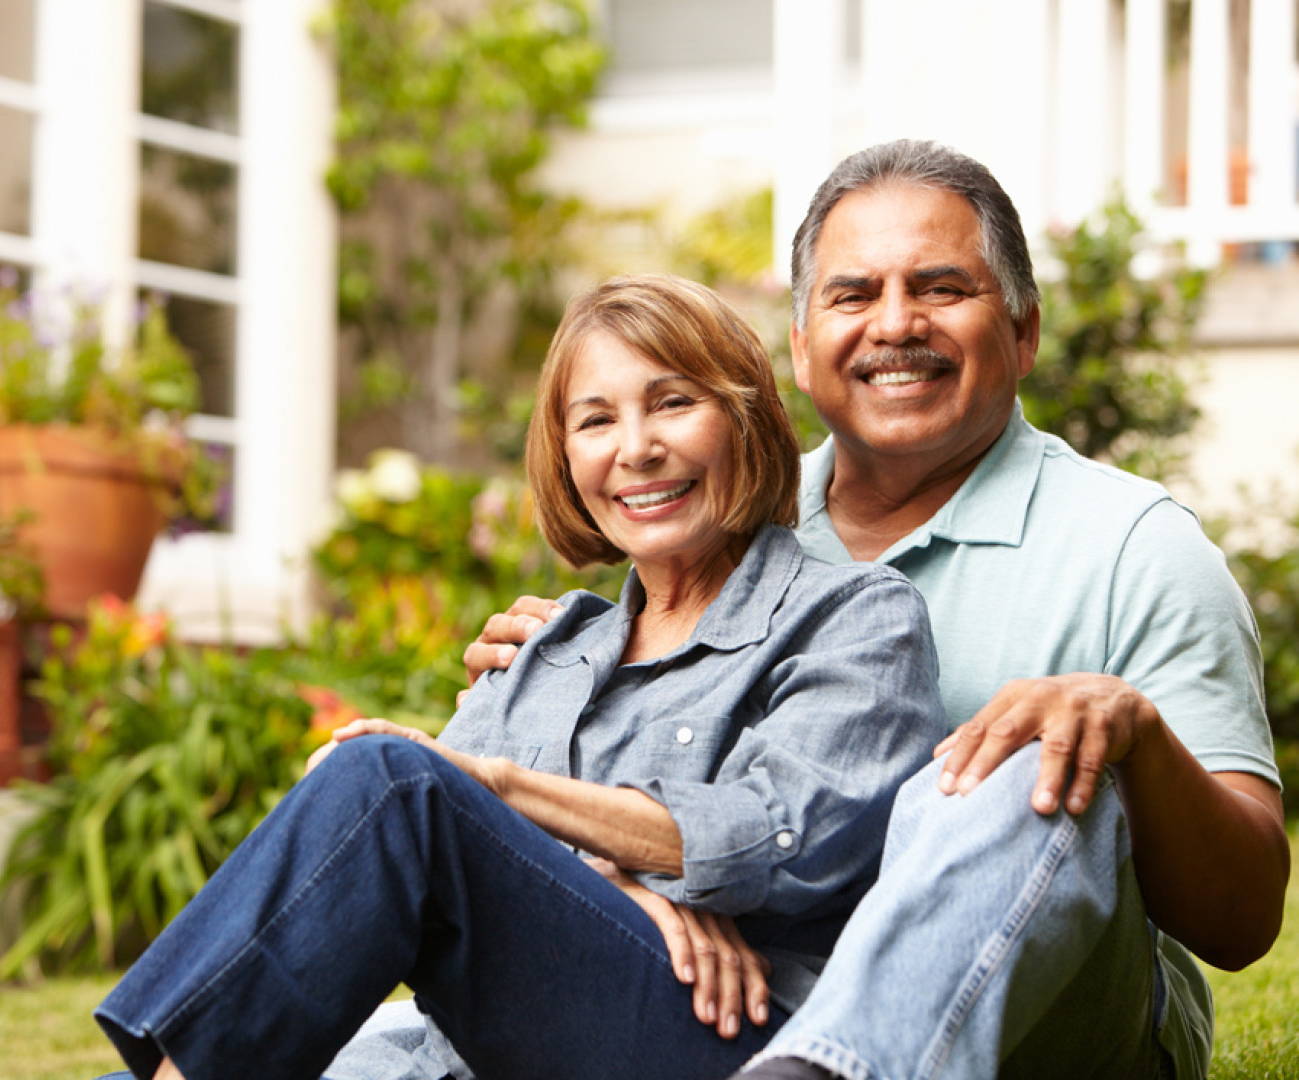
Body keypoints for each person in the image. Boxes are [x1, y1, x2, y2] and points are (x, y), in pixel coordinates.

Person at [466, 142, 1289, 1080]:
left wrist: (1134, 739)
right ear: (803, 346)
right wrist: (560, 684)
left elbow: (1244, 918)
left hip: (1044, 1026)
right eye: (853, 296)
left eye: (941, 288)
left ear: (1023, 331)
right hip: (735, 998)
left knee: (1020, 749)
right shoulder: (715, 518)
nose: (896, 324)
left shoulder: (1136, 546)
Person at [91, 274, 948, 1080]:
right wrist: (608, 885)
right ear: (565, 454)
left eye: (674, 403)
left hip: (728, 1029)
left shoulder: (858, 616)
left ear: (746, 421)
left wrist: (514, 797)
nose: (638, 450)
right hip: (495, 1047)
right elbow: (393, 844)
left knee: (395, 782)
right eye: (596, 420)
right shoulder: (552, 646)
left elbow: (782, 834)